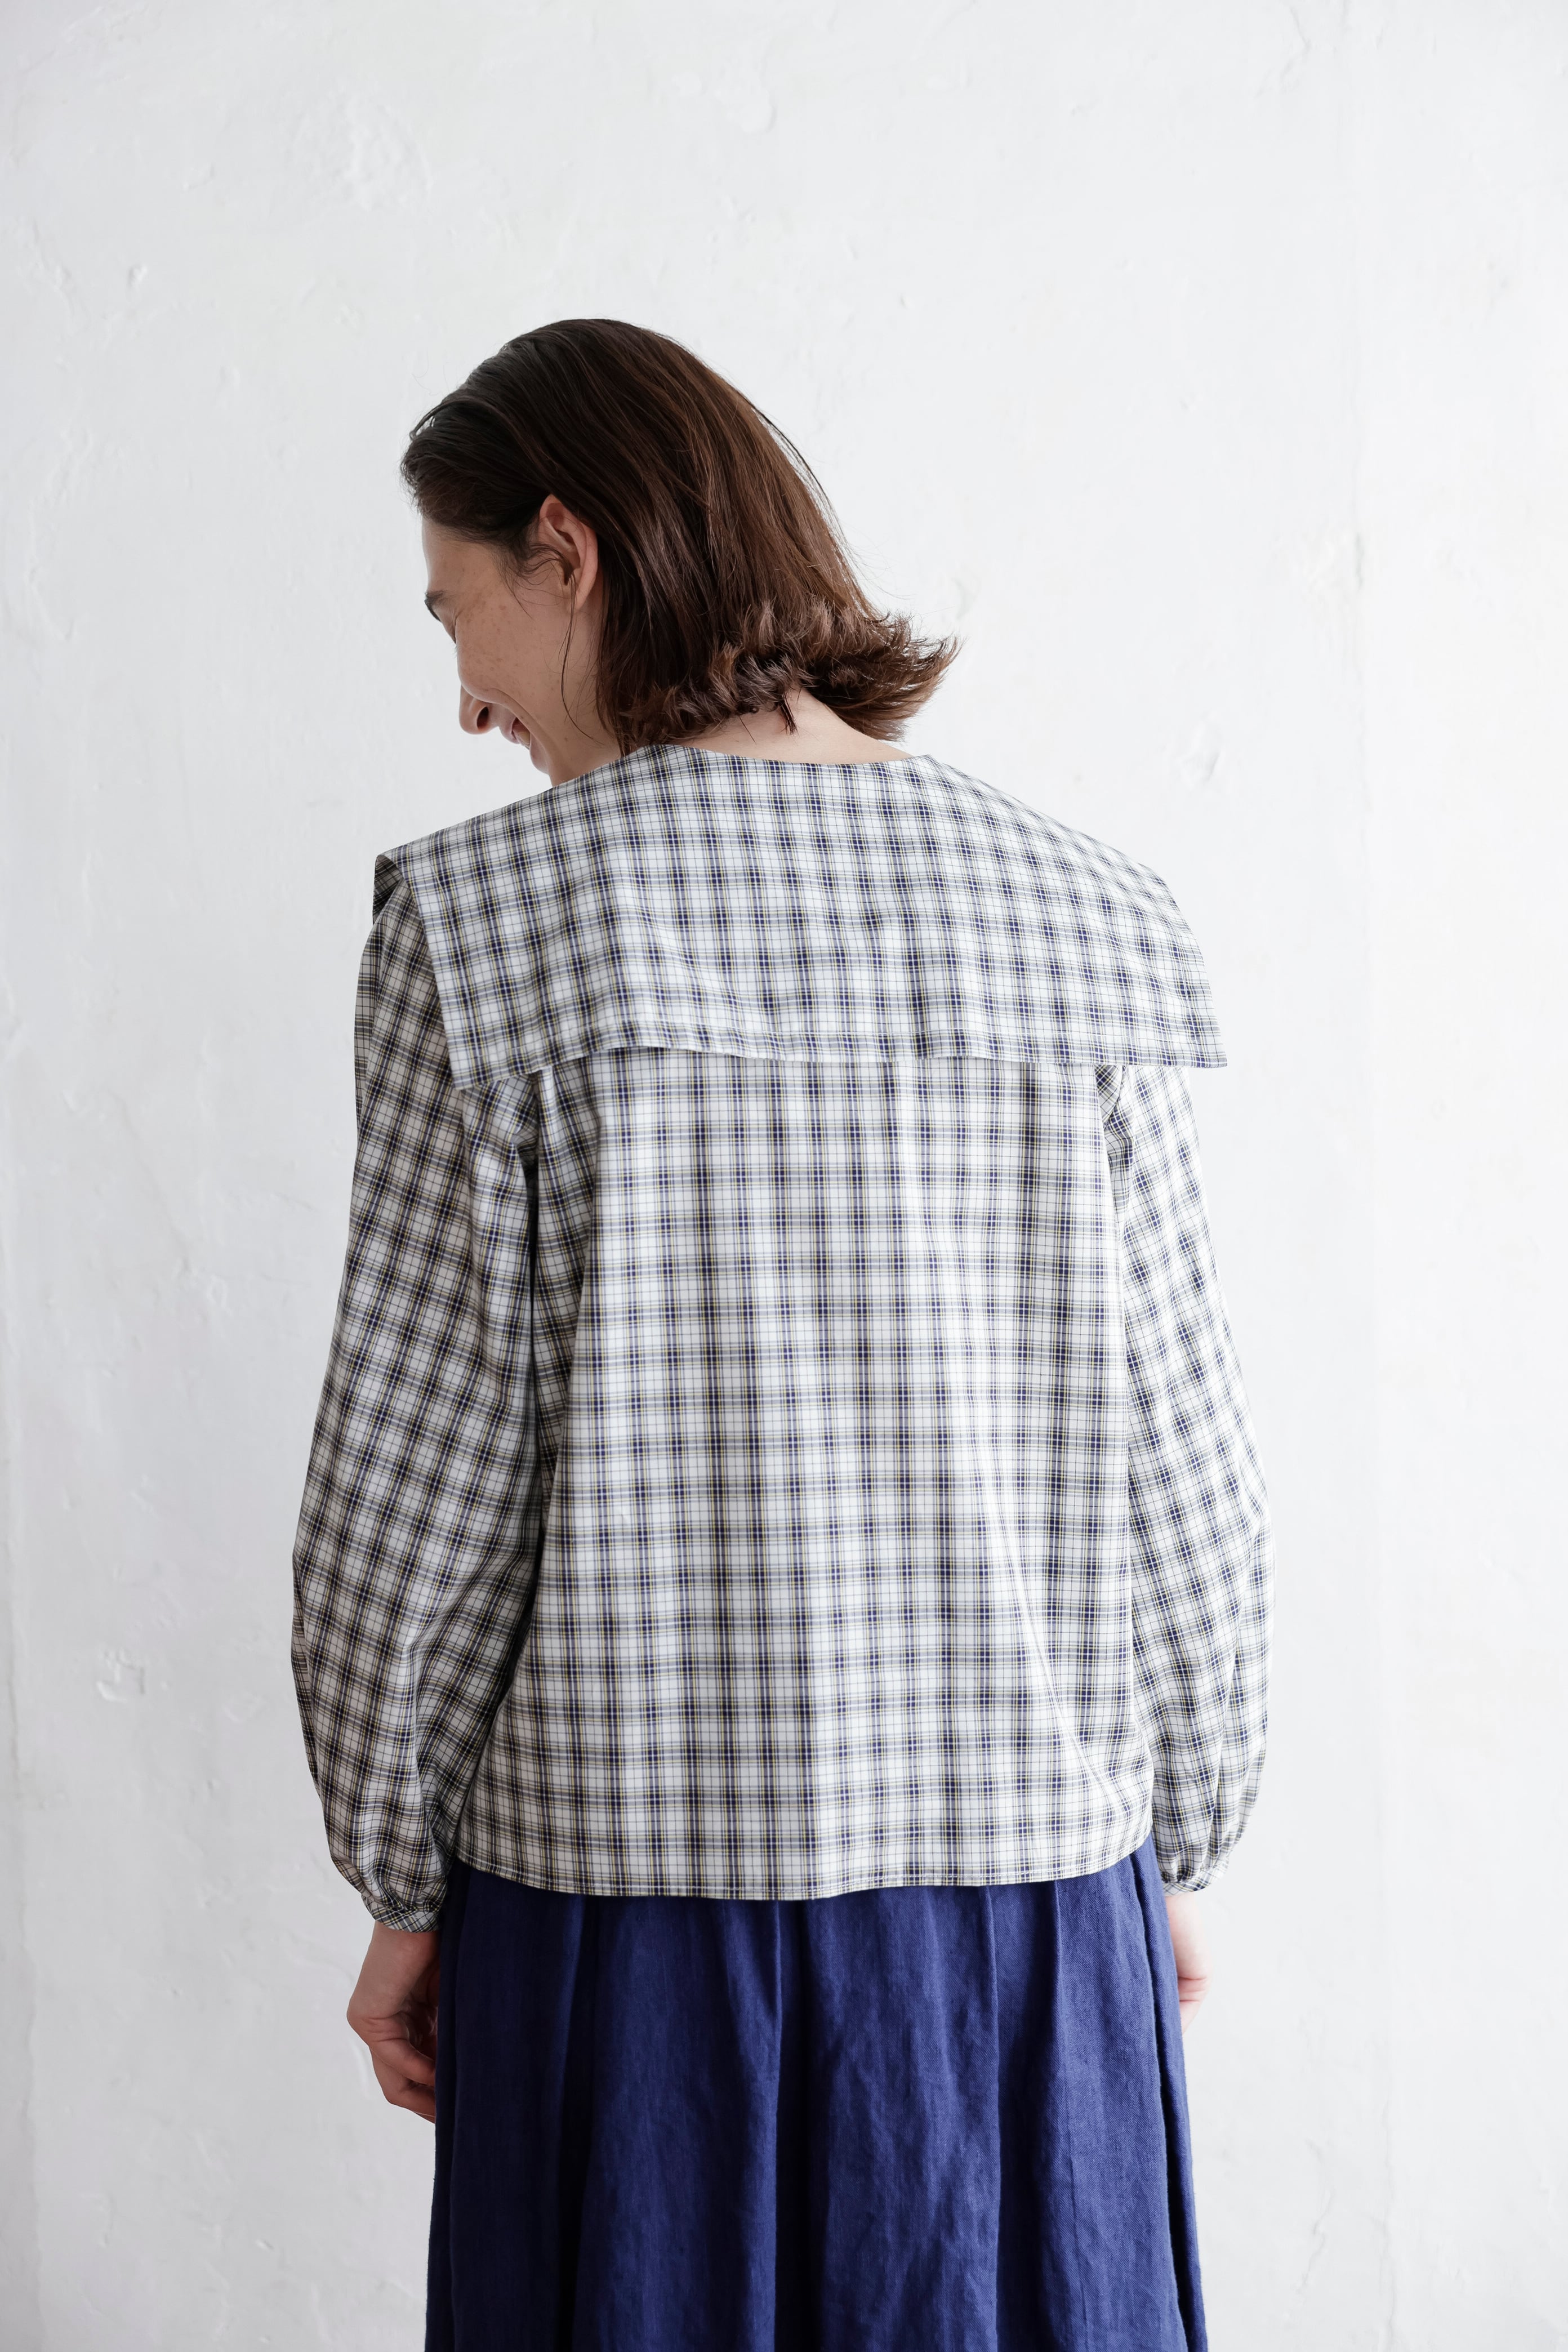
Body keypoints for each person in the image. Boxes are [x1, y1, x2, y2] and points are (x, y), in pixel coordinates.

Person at [291, 318, 1272, 2352]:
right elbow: (1184, 1460)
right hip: (1029, 1921)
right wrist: (1176, 1835)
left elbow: (418, 1492)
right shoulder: (1092, 913)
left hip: (625, 1935)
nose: (467, 700)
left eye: (457, 613)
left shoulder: (484, 928)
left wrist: (398, 1883)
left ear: (568, 549)